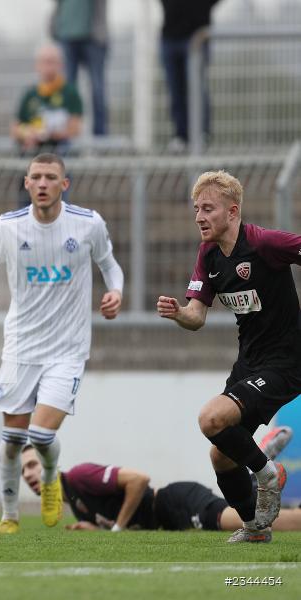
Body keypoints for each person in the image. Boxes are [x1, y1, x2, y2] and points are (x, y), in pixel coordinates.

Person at [0, 152, 124, 535]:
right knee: (12, 440)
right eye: (36, 177)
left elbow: (110, 264)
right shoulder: (8, 227)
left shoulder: (87, 224)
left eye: (50, 177)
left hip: (67, 350)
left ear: (65, 184)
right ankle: (9, 516)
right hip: (20, 349)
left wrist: (116, 291)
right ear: (26, 184)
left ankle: (50, 477)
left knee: (41, 436)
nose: (42, 183)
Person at [157, 170, 301, 543]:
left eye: (208, 208)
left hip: (286, 362)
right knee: (221, 457)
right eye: (196, 209)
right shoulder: (208, 254)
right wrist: (178, 314)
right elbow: (196, 317)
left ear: (232, 211)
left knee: (210, 418)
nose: (199, 217)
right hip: (249, 364)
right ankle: (256, 529)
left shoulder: (264, 243)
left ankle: (267, 472)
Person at [20, 428, 299, 534]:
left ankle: (260, 467)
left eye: (32, 465)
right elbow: (116, 517)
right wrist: (96, 528)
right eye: (23, 473)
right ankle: (258, 470)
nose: (29, 475)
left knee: (245, 522)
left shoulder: (79, 476)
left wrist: (117, 527)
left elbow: (138, 480)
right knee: (245, 514)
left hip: (173, 502)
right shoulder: (73, 498)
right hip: (168, 517)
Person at [159, 0, 221, 151]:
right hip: (170, 35)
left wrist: (200, 8)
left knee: (197, 89)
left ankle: (201, 134)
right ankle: (181, 136)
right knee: (175, 90)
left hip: (196, 35)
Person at [11, 45, 83, 155]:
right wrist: (28, 132)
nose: (47, 66)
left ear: (61, 65)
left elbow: (75, 130)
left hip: (60, 150)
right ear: (37, 65)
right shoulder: (30, 94)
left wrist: (46, 134)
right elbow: (15, 129)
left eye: (52, 61)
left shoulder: (70, 93)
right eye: (44, 62)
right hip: (34, 149)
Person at [51, 0, 107, 136]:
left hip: (93, 37)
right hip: (66, 35)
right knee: (67, 91)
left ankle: (101, 137)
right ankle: (67, 137)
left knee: (97, 89)